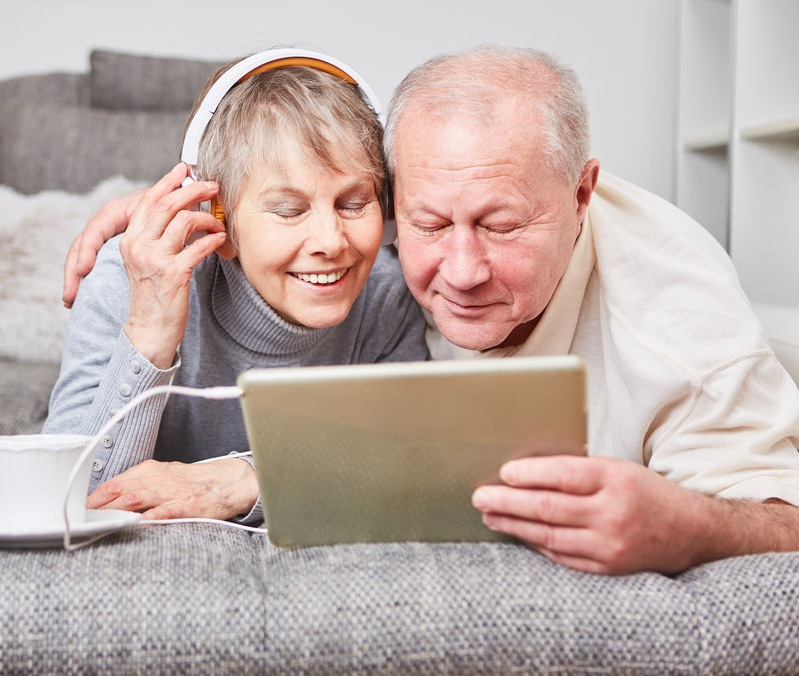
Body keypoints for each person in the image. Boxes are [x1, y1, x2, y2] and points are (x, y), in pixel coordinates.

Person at [61, 45, 799, 575]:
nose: (464, 272)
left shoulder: (674, 321)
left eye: (503, 226)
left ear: (580, 196)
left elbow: (785, 516)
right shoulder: (369, 242)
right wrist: (182, 256)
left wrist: (686, 525)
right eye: (429, 223)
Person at [43, 49, 429, 525]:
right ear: (216, 219)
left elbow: (410, 466)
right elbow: (72, 498)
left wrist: (253, 477)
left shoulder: (390, 297)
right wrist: (151, 331)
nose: (331, 242)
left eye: (353, 204)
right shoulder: (130, 279)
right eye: (289, 210)